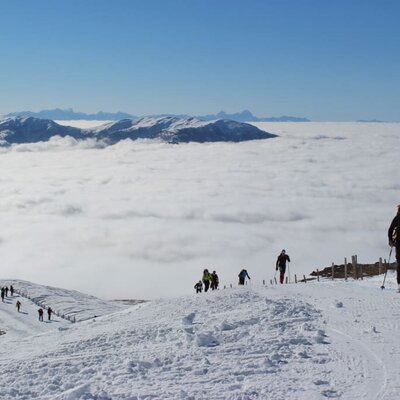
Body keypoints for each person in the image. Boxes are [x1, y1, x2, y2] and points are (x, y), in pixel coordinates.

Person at [388, 204, 400, 290]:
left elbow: (390, 229)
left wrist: (391, 241)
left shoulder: (397, 218)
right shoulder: (397, 218)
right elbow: (391, 229)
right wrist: (391, 240)